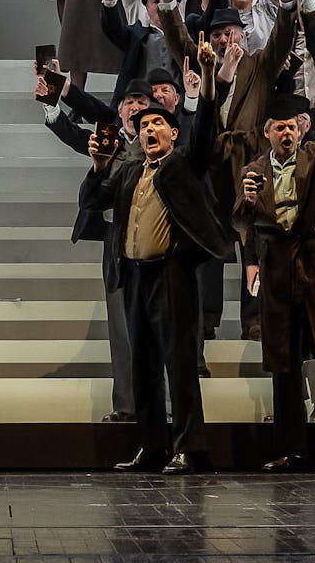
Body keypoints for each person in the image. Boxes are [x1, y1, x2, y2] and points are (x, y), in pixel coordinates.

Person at [81, 35, 230, 474]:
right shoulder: (129, 172)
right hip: (135, 277)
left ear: (172, 133)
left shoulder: (183, 164)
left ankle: (188, 446)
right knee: (143, 365)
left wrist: (207, 77)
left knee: (179, 364)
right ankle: (152, 446)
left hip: (172, 275)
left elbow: (204, 130)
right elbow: (93, 201)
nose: (148, 130)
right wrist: (98, 167)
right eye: (143, 125)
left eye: (157, 125)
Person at [235, 79, 315, 474]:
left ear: (301, 129)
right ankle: (291, 448)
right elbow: (239, 221)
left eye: (292, 126)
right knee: (284, 363)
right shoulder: (254, 170)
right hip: (278, 269)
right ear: (268, 133)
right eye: (280, 127)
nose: (287, 133)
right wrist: (247, 201)